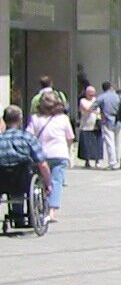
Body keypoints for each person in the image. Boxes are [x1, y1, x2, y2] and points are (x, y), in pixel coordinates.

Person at [0, 105, 52, 227]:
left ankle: (17, 218)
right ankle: (28, 217)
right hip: (23, 180)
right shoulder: (27, 137)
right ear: (20, 119)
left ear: (4, 119)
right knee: (29, 177)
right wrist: (48, 183)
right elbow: (42, 164)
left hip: (2, 180)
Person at [25, 92, 71, 223]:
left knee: (42, 181)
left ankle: (40, 206)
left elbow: (29, 136)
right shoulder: (63, 118)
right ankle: (51, 211)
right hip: (60, 153)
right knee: (56, 182)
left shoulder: (34, 118)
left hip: (41, 155)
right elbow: (70, 137)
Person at [97, 81, 121, 170]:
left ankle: (113, 162)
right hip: (119, 120)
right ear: (111, 87)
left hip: (107, 120)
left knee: (110, 142)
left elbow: (92, 107)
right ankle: (119, 161)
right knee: (118, 142)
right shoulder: (119, 96)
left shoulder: (101, 97)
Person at [77, 85, 102, 169]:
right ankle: (87, 161)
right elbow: (87, 109)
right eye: (90, 94)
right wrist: (94, 110)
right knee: (86, 145)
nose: (91, 96)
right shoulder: (83, 100)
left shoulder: (96, 100)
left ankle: (97, 160)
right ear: (86, 94)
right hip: (86, 125)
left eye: (93, 94)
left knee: (96, 144)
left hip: (96, 125)